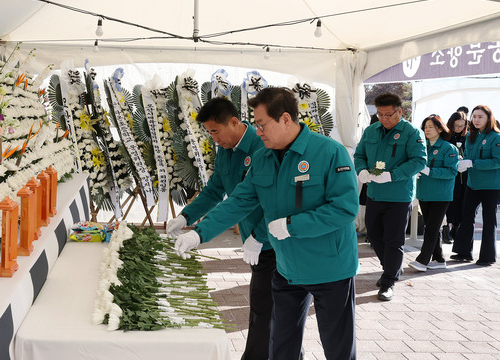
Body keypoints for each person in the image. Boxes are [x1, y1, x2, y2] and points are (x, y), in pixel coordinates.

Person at [175, 87, 359, 360]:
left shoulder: (329, 152)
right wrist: (199, 234)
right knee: (280, 347)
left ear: (286, 119)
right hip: (286, 269)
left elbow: (344, 209)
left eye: (261, 125)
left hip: (328, 269)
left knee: (338, 349)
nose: (257, 132)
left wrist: (292, 225)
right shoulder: (263, 158)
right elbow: (238, 201)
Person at [166, 97, 276, 360]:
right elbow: (216, 189)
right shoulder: (226, 149)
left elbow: (267, 201)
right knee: (272, 308)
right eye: (209, 132)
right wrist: (186, 217)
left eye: (215, 131)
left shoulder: (261, 148)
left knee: (265, 308)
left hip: (271, 239)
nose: (214, 138)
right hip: (254, 240)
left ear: (235, 122)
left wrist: (258, 236)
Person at [354, 93, 427, 301]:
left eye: (389, 115)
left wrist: (392, 175)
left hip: (398, 195)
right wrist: (361, 171)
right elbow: (360, 155)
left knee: (393, 240)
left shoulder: (411, 132)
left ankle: (388, 282)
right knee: (374, 235)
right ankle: (392, 268)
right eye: (380, 114)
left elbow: (419, 160)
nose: (384, 119)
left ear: (399, 111)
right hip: (374, 193)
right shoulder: (371, 131)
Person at [451, 105, 500, 266]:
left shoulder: (496, 137)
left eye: (481, 116)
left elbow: (497, 161)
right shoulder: (470, 135)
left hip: (491, 185)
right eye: (474, 116)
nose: (476, 119)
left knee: (489, 220)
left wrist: (473, 163)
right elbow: (468, 157)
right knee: (466, 217)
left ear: (488, 118)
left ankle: (487, 256)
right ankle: (463, 252)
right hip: (472, 183)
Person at [408, 115, 458, 271]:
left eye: (430, 126)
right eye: (425, 127)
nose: (426, 129)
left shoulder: (449, 149)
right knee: (432, 227)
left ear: (439, 128)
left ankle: (423, 260)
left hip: (440, 195)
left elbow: (451, 171)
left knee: (431, 228)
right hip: (424, 193)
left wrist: (430, 171)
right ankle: (439, 258)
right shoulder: (423, 148)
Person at [443, 111, 469, 243]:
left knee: (461, 202)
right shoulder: (446, 136)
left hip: (464, 175)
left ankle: (456, 228)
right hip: (450, 175)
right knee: (450, 202)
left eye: (461, 126)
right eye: (456, 125)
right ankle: (446, 227)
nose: (459, 128)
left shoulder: (468, 137)